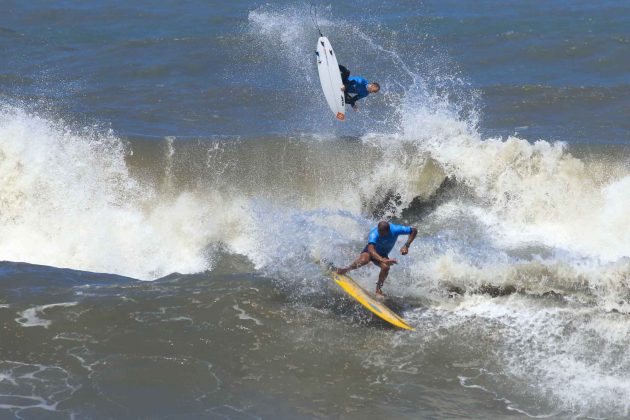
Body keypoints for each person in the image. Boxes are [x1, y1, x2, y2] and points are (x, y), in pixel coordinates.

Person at [337, 221, 417, 295]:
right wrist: (382, 259)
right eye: (379, 232)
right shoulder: (374, 233)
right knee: (363, 260)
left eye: (382, 233)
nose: (380, 234)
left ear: (388, 231)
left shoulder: (396, 229)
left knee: (385, 267)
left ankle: (378, 288)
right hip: (370, 252)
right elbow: (371, 250)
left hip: (383, 254)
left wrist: (406, 246)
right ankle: (345, 270)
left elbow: (414, 230)